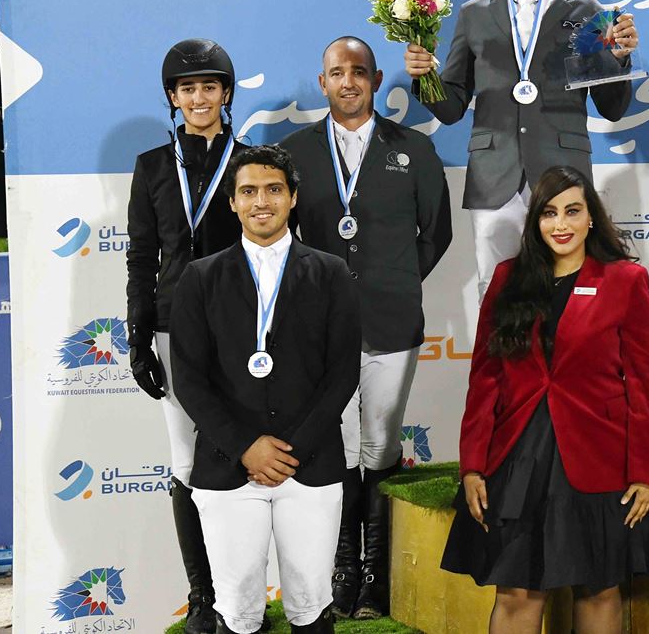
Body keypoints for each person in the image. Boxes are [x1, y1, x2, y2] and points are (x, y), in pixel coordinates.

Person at [442, 165, 649, 633]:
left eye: (572, 211)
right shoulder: (508, 279)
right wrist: (472, 465)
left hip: (599, 456)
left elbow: (644, 384)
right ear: (535, 223)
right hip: (518, 457)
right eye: (548, 213)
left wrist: (646, 474)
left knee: (600, 591)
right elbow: (484, 378)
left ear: (591, 218)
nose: (560, 224)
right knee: (516, 595)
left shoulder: (625, 280)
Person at [281, 36, 452, 619]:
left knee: (378, 443)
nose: (348, 81)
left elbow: (437, 233)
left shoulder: (413, 150)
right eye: (336, 72)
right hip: (320, 328)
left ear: (378, 80)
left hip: (391, 319)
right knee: (337, 445)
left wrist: (396, 280)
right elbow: (281, 239)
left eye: (359, 71)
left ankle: (375, 575)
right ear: (321, 81)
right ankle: (341, 570)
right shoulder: (294, 153)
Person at [403, 0, 640, 299]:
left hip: (562, 173)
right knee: (495, 293)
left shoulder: (585, 11)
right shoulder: (474, 15)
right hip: (495, 176)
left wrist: (617, 60)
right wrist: (426, 76)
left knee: (568, 291)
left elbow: (613, 107)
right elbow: (452, 107)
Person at [170, 145, 361, 634]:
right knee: (238, 612)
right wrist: (246, 448)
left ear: (293, 197)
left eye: (274, 189)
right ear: (231, 202)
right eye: (248, 190)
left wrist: (288, 451)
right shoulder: (199, 278)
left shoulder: (331, 273)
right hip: (227, 468)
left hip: (310, 465)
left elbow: (342, 373)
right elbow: (190, 380)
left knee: (311, 607)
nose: (262, 201)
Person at [126, 38, 246, 634]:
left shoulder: (252, 162)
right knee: (186, 463)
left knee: (236, 457)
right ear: (173, 97)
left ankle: (235, 597)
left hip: (241, 330)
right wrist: (137, 337)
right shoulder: (151, 165)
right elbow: (141, 257)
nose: (199, 97)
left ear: (226, 92)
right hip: (175, 329)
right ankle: (201, 598)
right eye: (187, 88)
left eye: (209, 86)